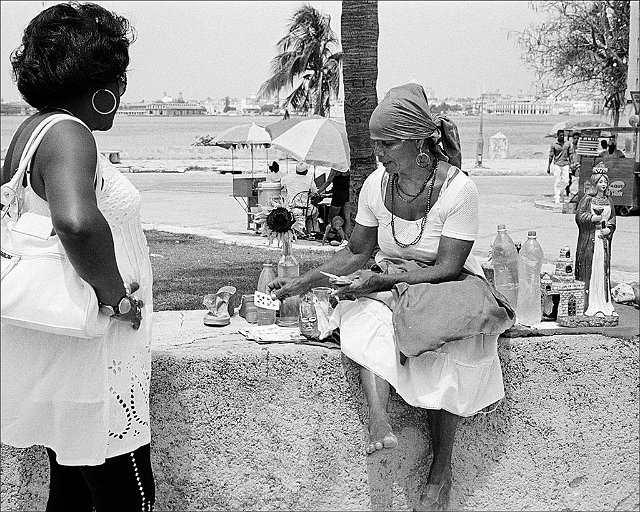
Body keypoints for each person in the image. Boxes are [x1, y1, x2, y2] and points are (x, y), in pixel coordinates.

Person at [267, 82, 514, 511]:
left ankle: (442, 468)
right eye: (374, 143)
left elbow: (447, 268)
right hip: (389, 281)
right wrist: (301, 283)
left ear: (418, 140)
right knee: (364, 319)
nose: (379, 153)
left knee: (440, 341)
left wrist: (380, 284)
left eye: (387, 143)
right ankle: (379, 423)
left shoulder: (459, 191)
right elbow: (359, 252)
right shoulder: (375, 186)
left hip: (445, 286)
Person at [0, 3, 155, 510]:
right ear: (101, 82)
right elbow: (76, 221)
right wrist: (119, 299)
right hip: (97, 349)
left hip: (65, 354)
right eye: (120, 76)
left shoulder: (33, 130)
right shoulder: (70, 133)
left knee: (70, 494)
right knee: (130, 496)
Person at [575, 165, 617, 316]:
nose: (603, 185)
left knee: (602, 270)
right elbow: (579, 217)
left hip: (603, 242)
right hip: (590, 240)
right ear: (595, 183)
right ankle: (590, 303)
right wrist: (592, 218)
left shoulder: (609, 200)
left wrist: (609, 229)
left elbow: (612, 219)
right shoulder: (587, 200)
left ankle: (603, 303)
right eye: (600, 182)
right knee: (590, 270)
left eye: (605, 182)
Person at [280, 161, 320, 235]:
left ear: (296, 170)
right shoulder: (310, 179)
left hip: (291, 207)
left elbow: (282, 186)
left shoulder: (287, 178)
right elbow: (315, 192)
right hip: (306, 208)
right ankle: (311, 230)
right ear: (306, 171)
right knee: (315, 212)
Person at [315, 167, 352, 238]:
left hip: (337, 196)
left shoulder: (336, 168)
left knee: (331, 218)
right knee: (347, 220)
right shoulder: (348, 168)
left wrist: (318, 192)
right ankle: (346, 238)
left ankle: (330, 236)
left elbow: (328, 182)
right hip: (347, 195)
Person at [547, 129, 574, 204]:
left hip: (565, 163)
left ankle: (561, 192)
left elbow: (570, 154)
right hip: (557, 164)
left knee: (566, 181)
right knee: (557, 180)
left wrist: (571, 163)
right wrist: (549, 166)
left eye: (563, 135)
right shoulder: (554, 144)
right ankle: (557, 197)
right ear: (557, 135)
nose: (562, 137)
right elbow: (551, 155)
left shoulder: (567, 144)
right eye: (560, 135)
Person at [565, 131, 581, 198]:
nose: (576, 140)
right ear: (572, 138)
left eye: (577, 138)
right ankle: (568, 190)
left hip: (577, 165)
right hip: (570, 165)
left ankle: (574, 193)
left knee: (576, 179)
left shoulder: (579, 147)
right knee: (569, 180)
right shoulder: (570, 146)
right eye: (575, 138)